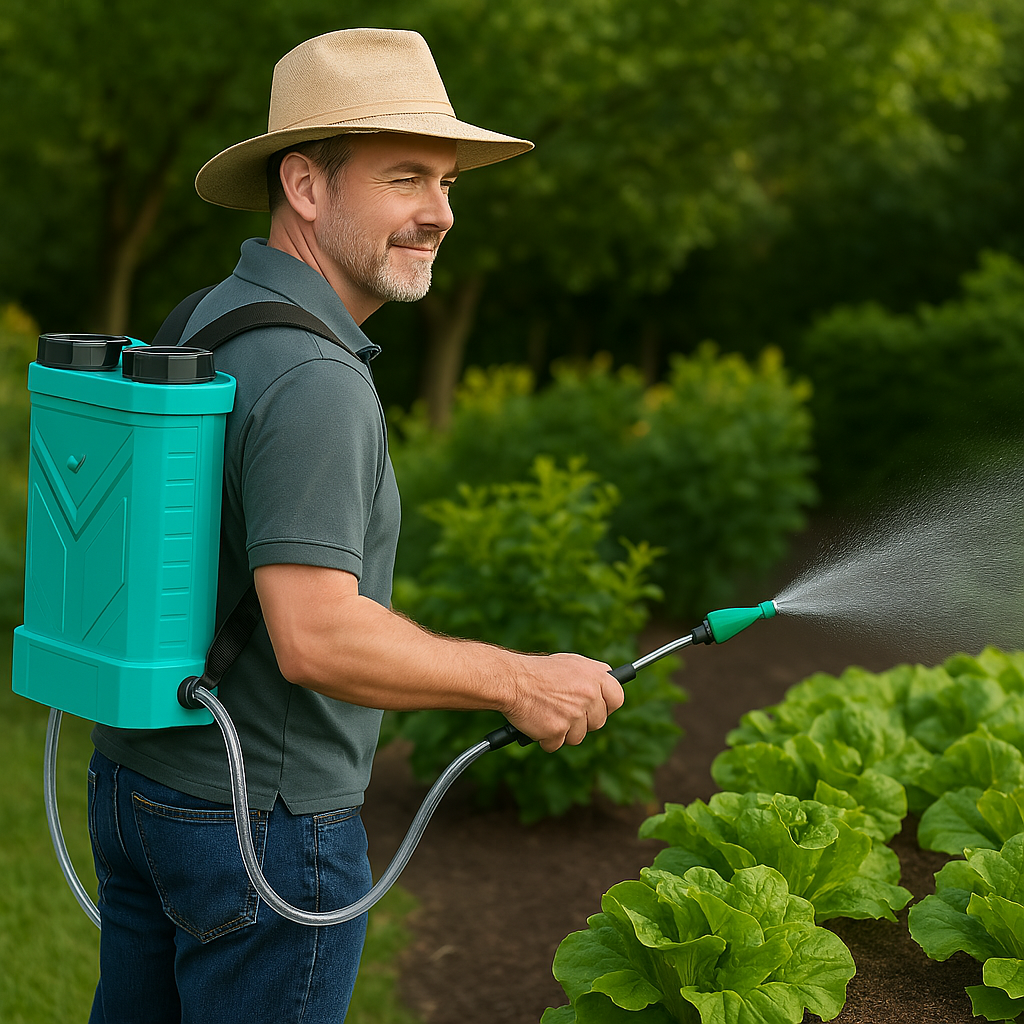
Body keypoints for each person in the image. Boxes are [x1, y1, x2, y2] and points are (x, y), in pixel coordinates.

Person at [87, 27, 623, 1024]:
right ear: (305, 186)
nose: (440, 213)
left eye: (450, 183)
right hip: (262, 826)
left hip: (140, 788)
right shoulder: (317, 381)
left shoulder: (205, 315)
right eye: (408, 177)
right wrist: (519, 678)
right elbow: (316, 634)